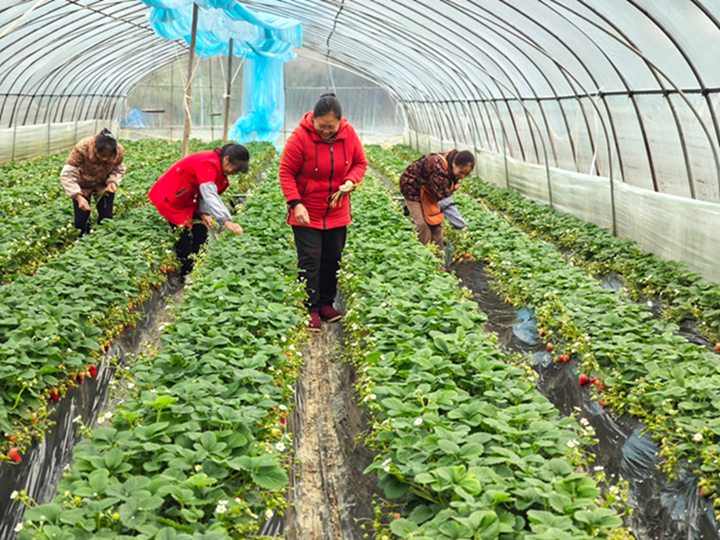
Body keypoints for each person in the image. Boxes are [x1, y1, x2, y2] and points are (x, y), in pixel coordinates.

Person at [279, 93, 367, 331]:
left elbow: (361, 163)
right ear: (313, 120)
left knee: (332, 258)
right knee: (310, 260)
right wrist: (295, 203)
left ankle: (327, 303)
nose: (326, 131)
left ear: (340, 122)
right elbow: (286, 172)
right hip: (306, 211)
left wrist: (351, 180)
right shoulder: (299, 138)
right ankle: (310, 307)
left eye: (331, 127)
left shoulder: (349, 136)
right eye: (321, 126)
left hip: (337, 210)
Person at [148, 144, 247, 276]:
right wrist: (226, 221)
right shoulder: (207, 163)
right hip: (173, 198)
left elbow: (205, 191)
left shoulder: (217, 165)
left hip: (189, 199)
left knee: (200, 232)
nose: (232, 173)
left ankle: (199, 270)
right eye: (233, 169)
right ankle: (187, 274)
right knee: (183, 238)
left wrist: (205, 213)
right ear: (226, 159)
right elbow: (209, 193)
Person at [399, 150, 475, 249]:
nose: (463, 177)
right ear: (455, 165)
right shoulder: (438, 169)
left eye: (466, 174)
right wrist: (461, 224)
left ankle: (438, 258)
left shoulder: (451, 162)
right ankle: (425, 256)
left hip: (428, 190)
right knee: (422, 225)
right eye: (462, 172)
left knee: (436, 225)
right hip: (412, 188)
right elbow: (445, 202)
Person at [60, 128, 125, 236]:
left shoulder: (119, 152)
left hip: (103, 185)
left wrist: (112, 182)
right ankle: (83, 240)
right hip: (83, 184)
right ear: (96, 149)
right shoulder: (83, 148)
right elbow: (67, 174)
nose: (105, 159)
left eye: (109, 156)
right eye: (103, 155)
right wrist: (78, 196)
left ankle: (104, 239)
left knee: (106, 218)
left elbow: (119, 168)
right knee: (81, 221)